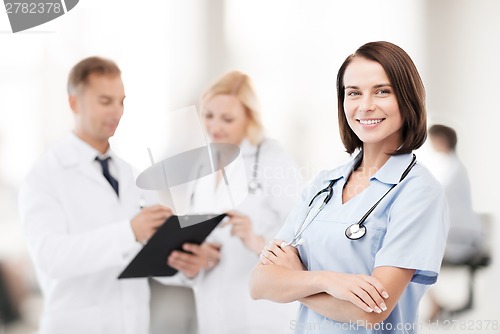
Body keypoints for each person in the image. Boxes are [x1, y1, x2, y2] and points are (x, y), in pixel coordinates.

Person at [249, 41, 449, 333]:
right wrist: (326, 280)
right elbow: (259, 283)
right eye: (353, 93)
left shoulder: (418, 191)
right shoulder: (323, 185)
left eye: (382, 91)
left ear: (407, 98)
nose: (365, 105)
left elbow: (369, 313)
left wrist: (296, 278)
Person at [18, 56, 172, 334]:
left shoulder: (133, 174)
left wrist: (185, 257)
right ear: (74, 103)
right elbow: (50, 258)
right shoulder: (44, 176)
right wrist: (129, 232)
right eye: (105, 101)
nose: (117, 111)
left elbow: (151, 254)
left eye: (121, 101)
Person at [166, 70, 301, 334]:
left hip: (263, 315)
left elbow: (303, 240)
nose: (215, 127)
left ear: (249, 117)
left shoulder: (273, 159)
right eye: (208, 115)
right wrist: (196, 259)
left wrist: (256, 241)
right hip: (213, 311)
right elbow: (196, 236)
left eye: (227, 119)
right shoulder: (201, 165)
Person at [422, 124, 483, 320]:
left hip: (459, 238)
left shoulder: (452, 169)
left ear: (442, 140)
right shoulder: (450, 166)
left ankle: (434, 303)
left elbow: (436, 198)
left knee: (413, 255)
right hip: (457, 234)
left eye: (433, 140)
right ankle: (434, 302)